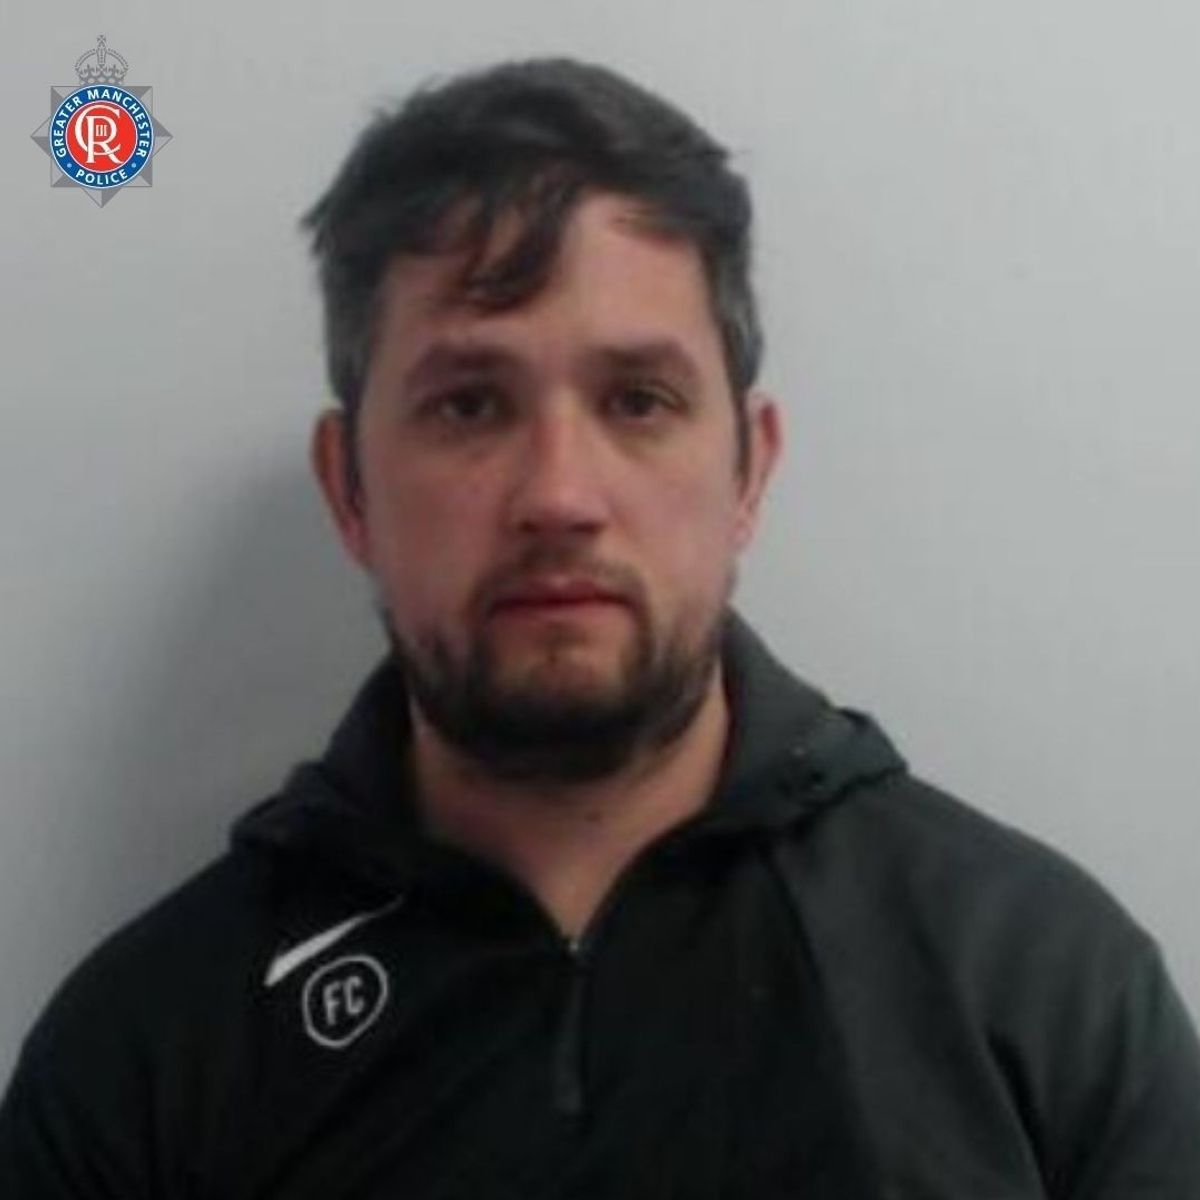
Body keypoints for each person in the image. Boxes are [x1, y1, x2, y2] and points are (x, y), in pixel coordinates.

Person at [2, 56, 1198, 1199]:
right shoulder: (142, 1062)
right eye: (470, 405)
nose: (560, 495)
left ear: (748, 472)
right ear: (349, 487)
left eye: (638, 400)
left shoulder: (1049, 992)